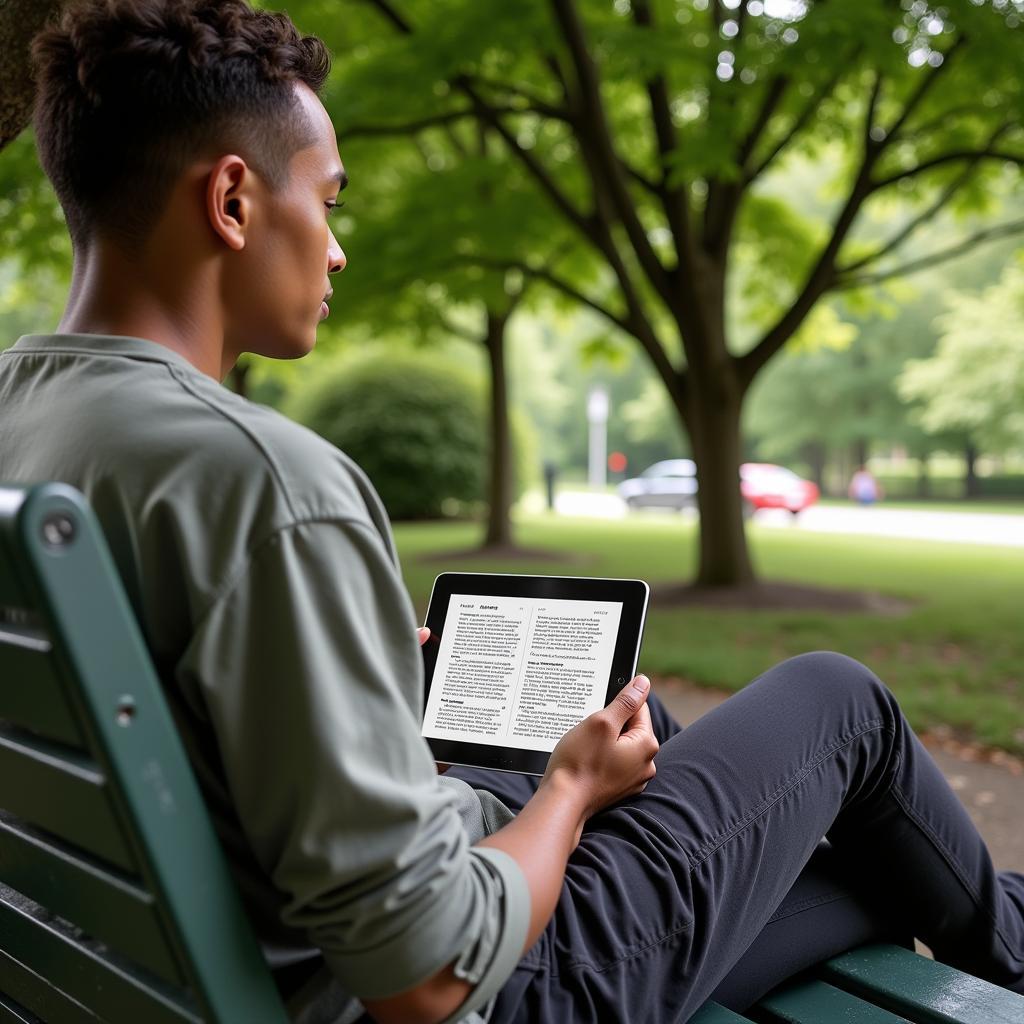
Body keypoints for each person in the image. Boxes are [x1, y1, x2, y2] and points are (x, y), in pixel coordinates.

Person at [0, 3, 1021, 1023]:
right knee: (837, 706)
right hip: (471, 990)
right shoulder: (263, 484)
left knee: (656, 739)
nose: (338, 250)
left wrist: (345, 667)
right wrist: (569, 793)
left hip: (160, 963)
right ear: (231, 199)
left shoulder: (24, 416)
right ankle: (1008, 938)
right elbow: (425, 975)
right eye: (329, 200)